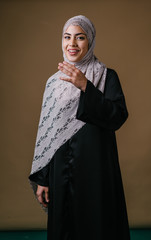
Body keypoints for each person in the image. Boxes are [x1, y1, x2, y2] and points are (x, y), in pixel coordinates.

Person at [29, 15, 130, 240]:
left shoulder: (106, 76)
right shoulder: (53, 82)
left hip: (96, 171)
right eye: (67, 37)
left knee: (97, 226)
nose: (72, 44)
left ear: (90, 40)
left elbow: (118, 117)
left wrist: (86, 86)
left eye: (80, 37)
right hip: (61, 171)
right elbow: (48, 134)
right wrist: (44, 179)